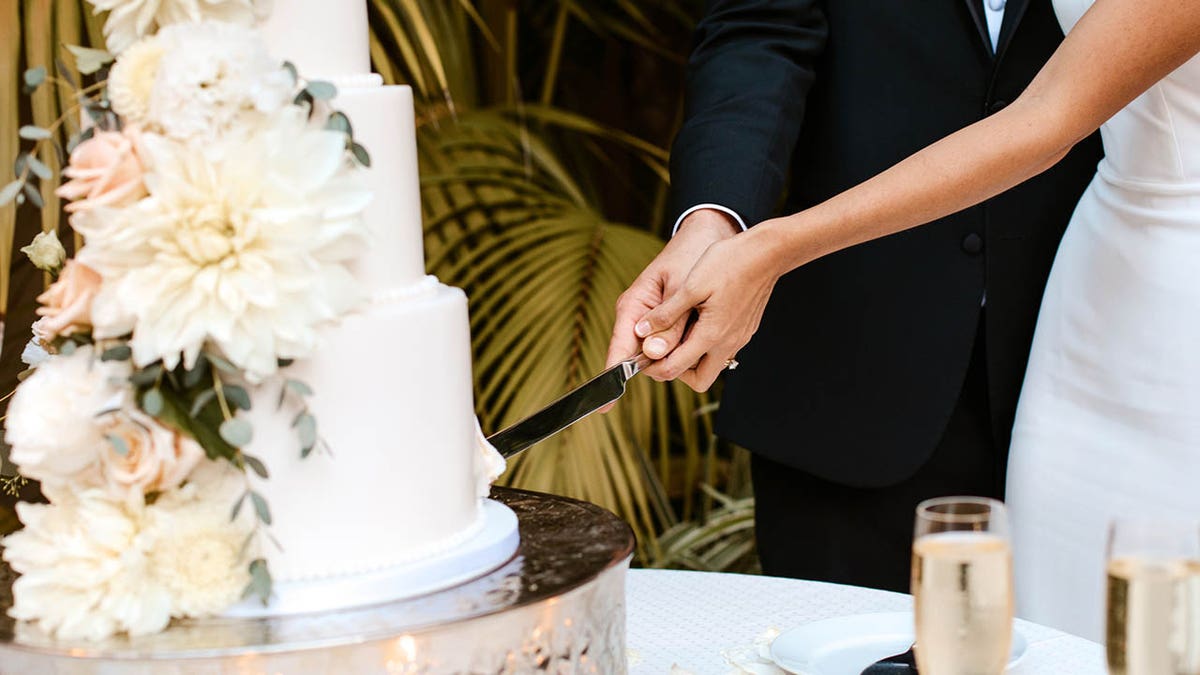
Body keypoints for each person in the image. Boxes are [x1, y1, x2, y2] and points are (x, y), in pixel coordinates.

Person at [627, 0, 1200, 640]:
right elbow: (758, 29)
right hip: (915, 350)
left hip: (1147, 318)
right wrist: (714, 222)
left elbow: (1047, 118)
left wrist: (770, 250)